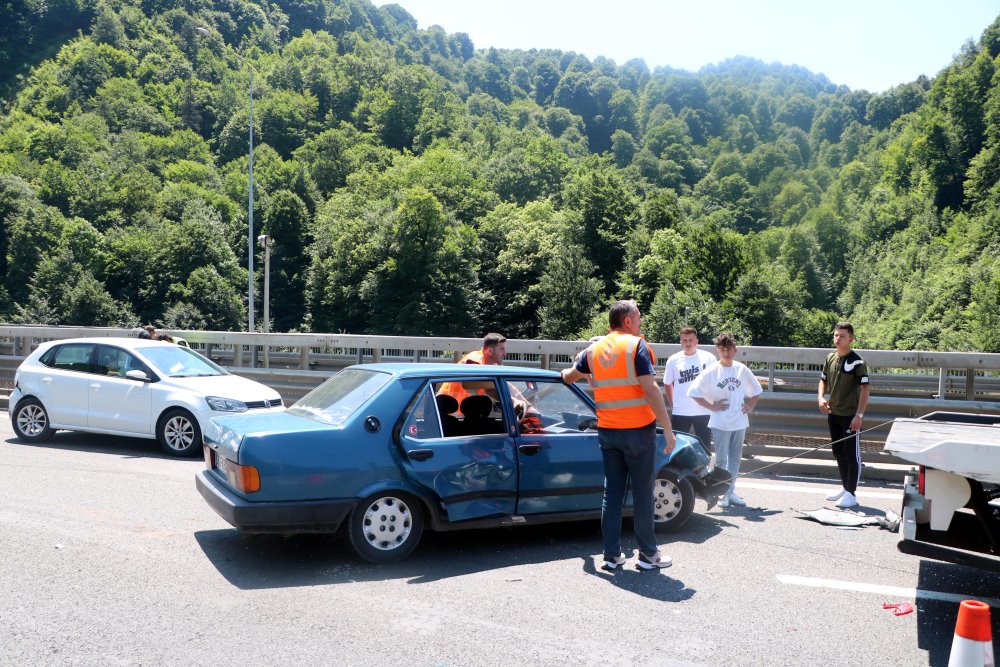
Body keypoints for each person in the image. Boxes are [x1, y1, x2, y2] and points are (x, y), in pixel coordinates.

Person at [561, 300, 676, 571]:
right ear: (627, 321)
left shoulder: (593, 350)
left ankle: (611, 556)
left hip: (608, 432)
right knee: (643, 495)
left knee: (611, 495)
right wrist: (668, 430)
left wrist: (566, 373)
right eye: (638, 317)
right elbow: (651, 390)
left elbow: (569, 377)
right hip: (638, 432)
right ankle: (648, 555)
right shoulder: (636, 347)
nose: (641, 322)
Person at [687, 333, 762, 508]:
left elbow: (756, 390)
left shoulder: (741, 369)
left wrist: (750, 405)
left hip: (739, 421)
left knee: (735, 459)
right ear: (717, 350)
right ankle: (721, 495)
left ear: (735, 350)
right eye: (722, 350)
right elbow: (693, 392)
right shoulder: (712, 370)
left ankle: (731, 491)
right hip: (720, 422)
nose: (726, 353)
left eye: (729, 349)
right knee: (721, 460)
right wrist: (711, 406)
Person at [818, 322, 870, 509]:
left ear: (851, 339)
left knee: (851, 455)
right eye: (836, 335)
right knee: (838, 452)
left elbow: (865, 390)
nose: (838, 339)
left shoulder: (857, 361)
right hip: (834, 413)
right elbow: (822, 380)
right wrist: (820, 397)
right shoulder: (830, 358)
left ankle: (852, 494)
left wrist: (860, 415)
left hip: (851, 415)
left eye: (842, 336)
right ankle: (845, 488)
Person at [662, 326, 716, 453]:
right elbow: (667, 383)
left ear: (696, 341)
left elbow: (714, 382)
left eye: (691, 340)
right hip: (681, 411)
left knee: (704, 445)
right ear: (680, 342)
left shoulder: (709, 358)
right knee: (678, 446)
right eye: (684, 340)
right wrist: (673, 403)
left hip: (704, 410)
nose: (688, 343)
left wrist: (712, 403)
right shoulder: (673, 360)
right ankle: (677, 472)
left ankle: (704, 471)